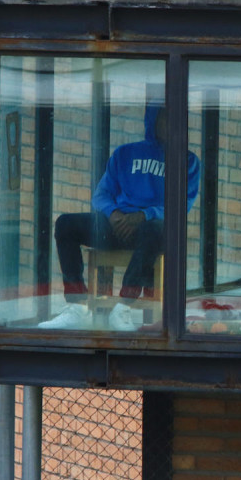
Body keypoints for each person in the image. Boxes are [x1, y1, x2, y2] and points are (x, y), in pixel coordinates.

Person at [39, 101, 201, 332]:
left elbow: (180, 207)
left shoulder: (188, 161)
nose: (171, 123)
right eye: (165, 117)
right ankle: (77, 306)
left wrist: (143, 215)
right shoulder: (125, 154)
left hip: (151, 233)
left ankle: (124, 306)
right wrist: (113, 214)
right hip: (115, 226)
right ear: (152, 120)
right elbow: (101, 195)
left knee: (156, 229)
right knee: (65, 224)